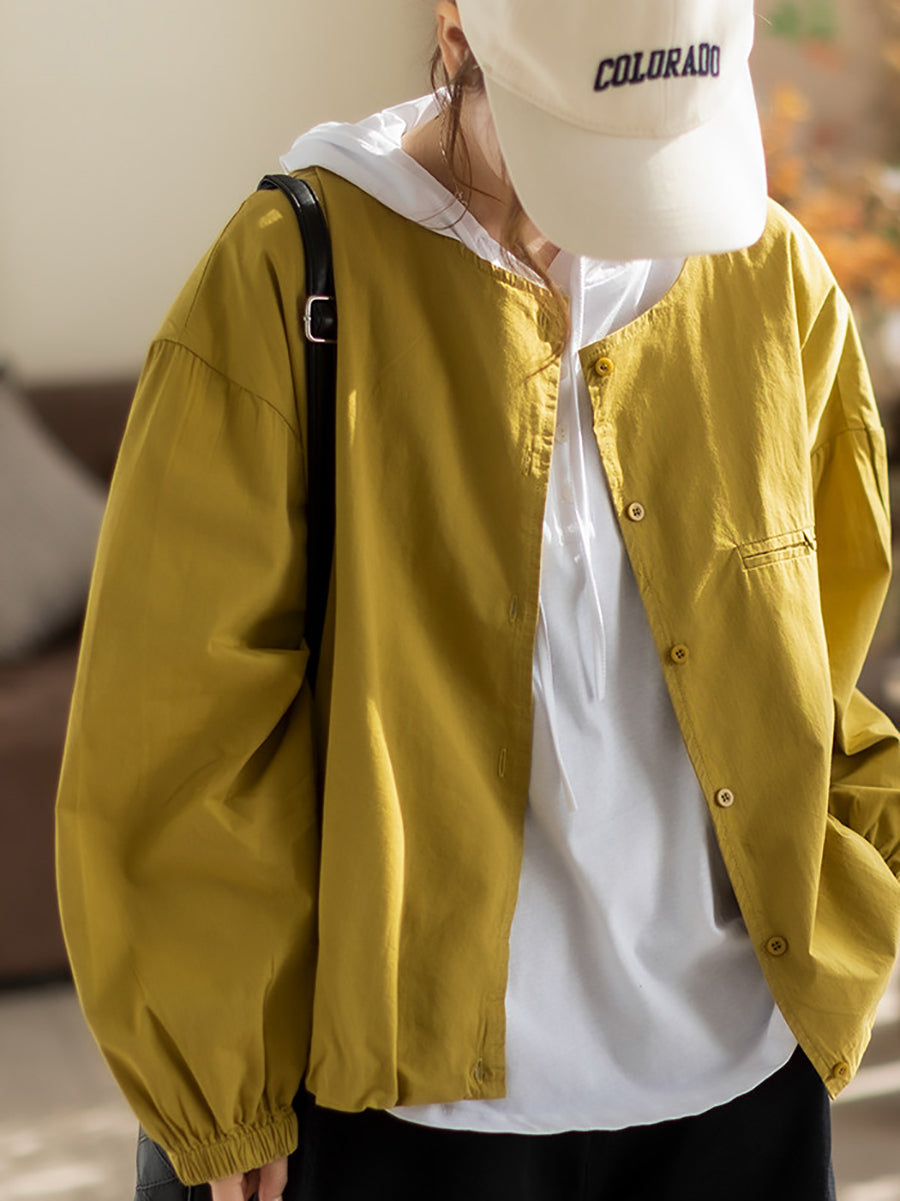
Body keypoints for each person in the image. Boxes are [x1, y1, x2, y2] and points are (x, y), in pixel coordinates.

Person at [56, 1, 900, 1198]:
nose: (621, 202)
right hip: (411, 1106)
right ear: (459, 31)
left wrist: (859, 877)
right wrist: (220, 1084)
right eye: (585, 142)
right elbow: (175, 724)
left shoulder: (766, 272)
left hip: (744, 1078)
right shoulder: (293, 274)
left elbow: (827, 656)